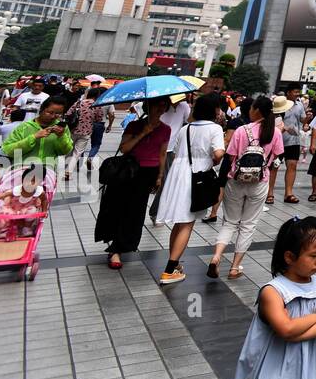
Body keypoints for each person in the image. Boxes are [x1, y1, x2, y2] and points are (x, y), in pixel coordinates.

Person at [234, 216, 316, 379]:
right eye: (313, 255)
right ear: (289, 257)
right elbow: (286, 329)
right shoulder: (273, 291)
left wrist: (297, 336)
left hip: (308, 364)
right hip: (274, 367)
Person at [154, 93, 227, 285]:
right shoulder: (215, 128)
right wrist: (215, 158)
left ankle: (175, 264)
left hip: (178, 175)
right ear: (214, 110)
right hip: (197, 177)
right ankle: (169, 270)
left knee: (179, 223)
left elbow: (177, 152)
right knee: (187, 224)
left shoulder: (185, 128)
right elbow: (219, 153)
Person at [208, 96, 284, 280]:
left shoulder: (242, 130)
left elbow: (230, 156)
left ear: (256, 110)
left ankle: (216, 257)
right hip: (259, 183)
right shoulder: (275, 132)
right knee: (248, 225)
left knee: (230, 222)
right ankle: (234, 268)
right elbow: (278, 158)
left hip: (236, 181)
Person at [94, 97, 172, 270]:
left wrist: (160, 176)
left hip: (148, 174)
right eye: (157, 104)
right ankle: (115, 249)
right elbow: (124, 148)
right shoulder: (134, 126)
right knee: (118, 208)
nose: (161, 107)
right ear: (148, 106)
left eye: (164, 105)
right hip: (128, 172)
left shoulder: (166, 129)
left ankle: (123, 244)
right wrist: (144, 132)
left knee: (136, 211)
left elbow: (162, 154)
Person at [1, 96, 73, 165]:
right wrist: (33, 137)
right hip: (23, 170)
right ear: (42, 109)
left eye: (58, 114)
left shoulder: (61, 128)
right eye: (50, 112)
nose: (53, 116)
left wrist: (61, 136)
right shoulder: (24, 127)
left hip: (48, 172)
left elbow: (65, 151)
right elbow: (7, 150)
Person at [271, 87, 308, 205]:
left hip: (294, 141)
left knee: (292, 165)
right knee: (274, 166)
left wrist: (307, 119)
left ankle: (289, 193)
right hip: (278, 141)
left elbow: (303, 120)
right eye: (295, 91)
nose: (297, 94)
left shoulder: (300, 105)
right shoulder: (278, 104)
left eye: (298, 92)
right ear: (288, 92)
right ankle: (269, 193)